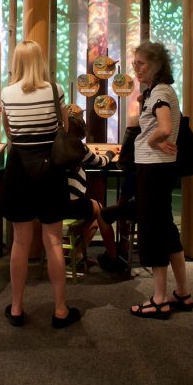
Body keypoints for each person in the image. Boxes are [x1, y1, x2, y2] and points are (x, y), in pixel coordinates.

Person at [0, 40, 80, 329]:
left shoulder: (7, 93)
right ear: (40, 61)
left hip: (20, 167)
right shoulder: (55, 90)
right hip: (50, 168)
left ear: (17, 62)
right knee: (54, 240)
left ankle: (18, 307)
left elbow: (9, 131)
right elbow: (65, 127)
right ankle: (60, 309)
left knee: (20, 241)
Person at [129, 41, 193, 319]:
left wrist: (154, 139)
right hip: (160, 169)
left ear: (156, 65)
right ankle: (183, 292)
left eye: (141, 63)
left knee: (153, 232)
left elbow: (165, 127)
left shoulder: (159, 93)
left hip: (153, 169)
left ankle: (159, 299)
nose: (136, 68)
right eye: (135, 63)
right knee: (166, 230)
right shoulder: (161, 91)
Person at [60, 109, 123, 272]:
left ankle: (75, 254)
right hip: (73, 204)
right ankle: (111, 257)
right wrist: (110, 154)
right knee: (100, 211)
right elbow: (100, 162)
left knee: (93, 218)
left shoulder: (55, 146)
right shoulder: (79, 147)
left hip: (54, 203)